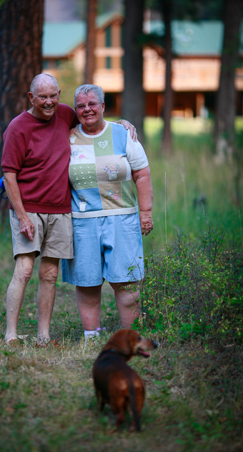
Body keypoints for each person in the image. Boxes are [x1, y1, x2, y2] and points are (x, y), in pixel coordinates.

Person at [1, 74, 136, 346]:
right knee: (25, 270)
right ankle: (10, 335)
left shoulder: (66, 114)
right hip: (29, 209)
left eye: (54, 96)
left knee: (49, 274)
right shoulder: (18, 127)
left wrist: (122, 124)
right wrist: (22, 215)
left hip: (62, 210)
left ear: (59, 95)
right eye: (42, 97)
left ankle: (44, 335)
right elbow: (9, 174)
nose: (49, 102)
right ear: (31, 98)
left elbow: (94, 120)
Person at [62, 84, 154, 341]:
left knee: (126, 282)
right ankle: (92, 337)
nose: (87, 109)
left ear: (103, 106)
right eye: (80, 105)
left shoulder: (123, 134)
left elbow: (142, 174)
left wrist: (145, 212)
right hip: (82, 222)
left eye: (92, 104)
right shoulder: (67, 137)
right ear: (75, 110)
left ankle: (129, 337)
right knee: (88, 282)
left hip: (122, 219)